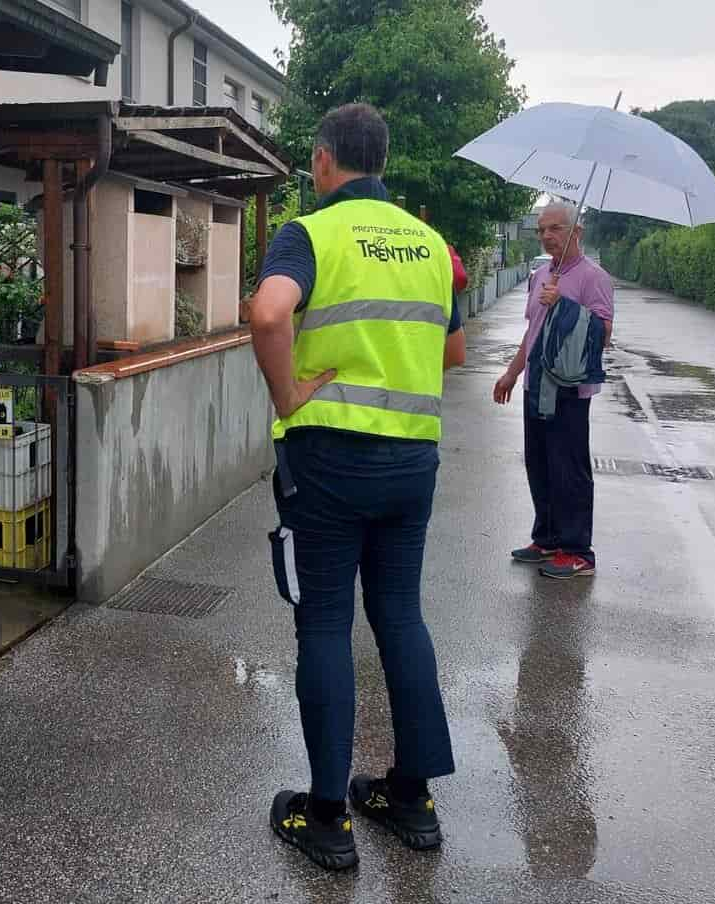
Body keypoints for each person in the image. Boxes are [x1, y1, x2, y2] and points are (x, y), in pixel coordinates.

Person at [249, 103, 466, 871]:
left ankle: (329, 817)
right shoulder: (433, 245)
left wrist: (287, 396)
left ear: (321, 162)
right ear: (386, 160)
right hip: (413, 459)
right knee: (401, 615)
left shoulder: (310, 233)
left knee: (325, 623)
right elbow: (456, 352)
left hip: (329, 459)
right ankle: (409, 797)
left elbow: (269, 313)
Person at [493, 201, 614, 579]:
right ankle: (546, 538)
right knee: (539, 464)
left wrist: (563, 305)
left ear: (576, 231)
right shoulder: (540, 273)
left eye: (555, 229)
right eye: (541, 229)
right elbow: (532, 333)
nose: (546, 236)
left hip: (570, 388)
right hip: (536, 385)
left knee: (569, 468)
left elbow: (603, 335)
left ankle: (578, 550)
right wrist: (512, 373)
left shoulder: (594, 278)